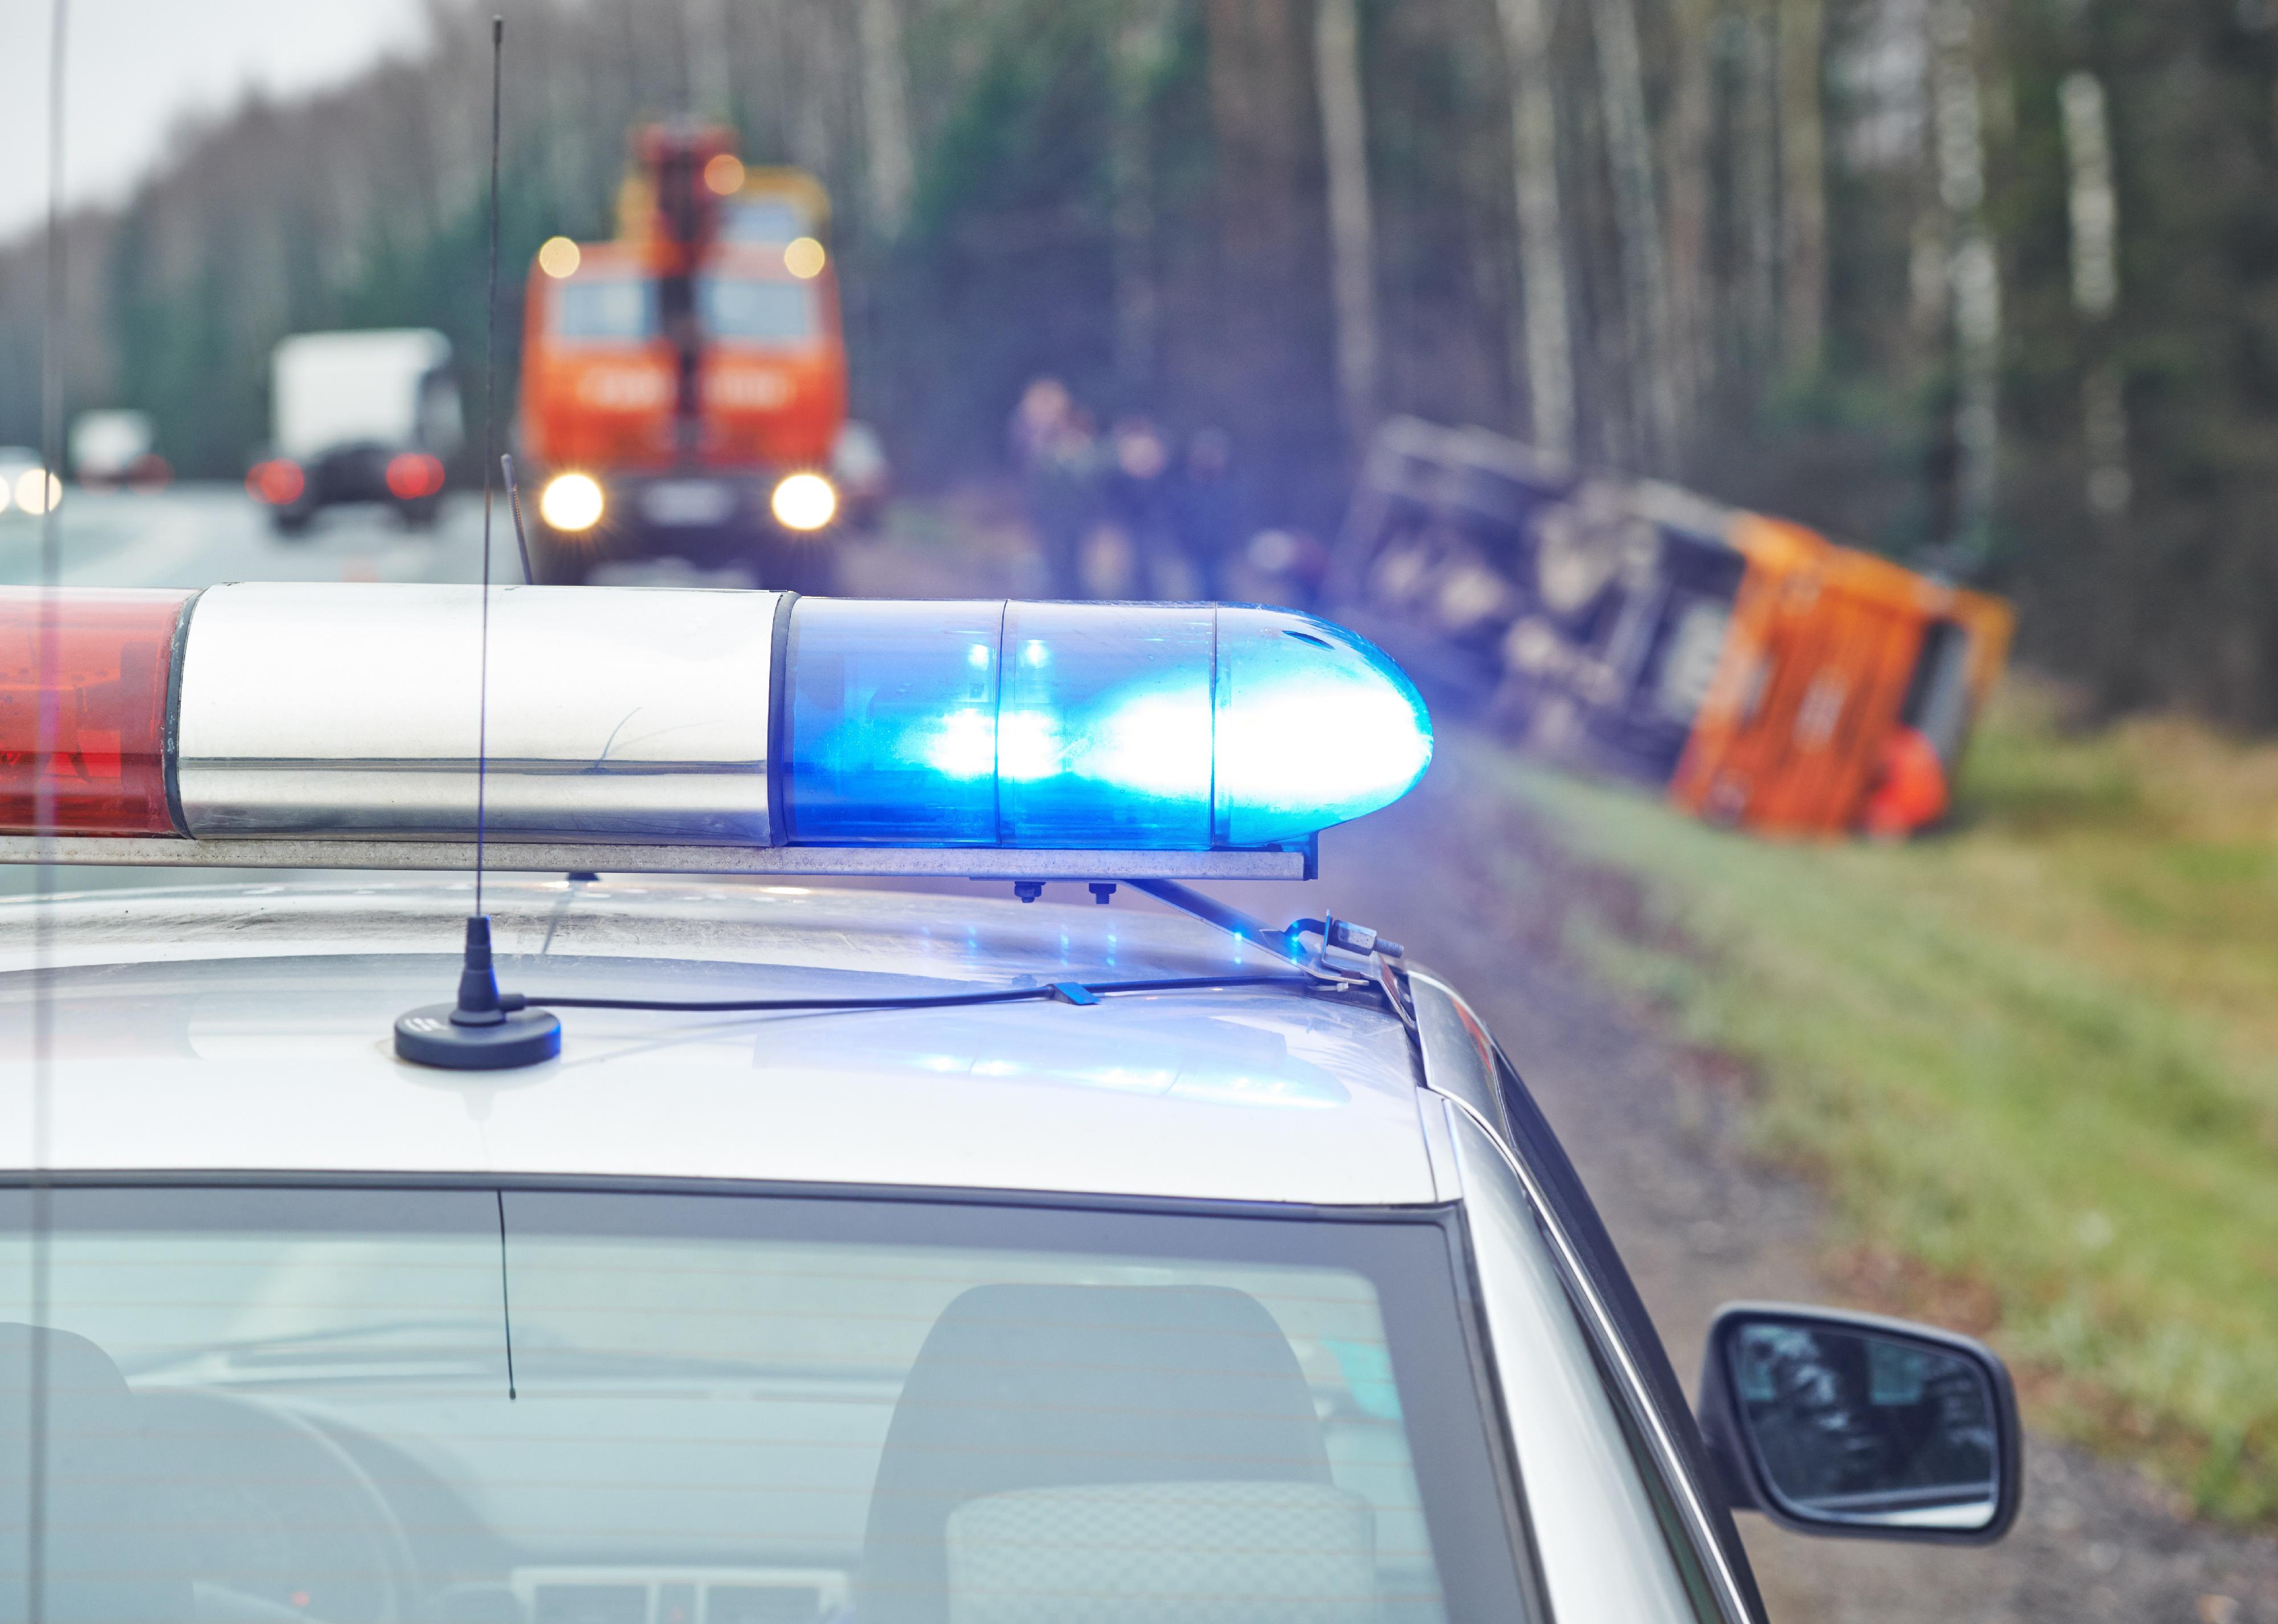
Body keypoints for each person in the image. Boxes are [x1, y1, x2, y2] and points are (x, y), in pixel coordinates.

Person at [1009, 377, 1095, 598]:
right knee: (1052, 562)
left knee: (1072, 564)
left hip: (1073, 512)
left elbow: (1084, 468)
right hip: (1044, 511)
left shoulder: (1075, 429)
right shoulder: (1027, 432)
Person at [1101, 415, 1174, 597]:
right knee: (1132, 562)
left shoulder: (1153, 452)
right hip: (1131, 518)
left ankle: (1149, 595)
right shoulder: (1120, 457)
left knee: (1152, 562)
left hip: (1150, 518)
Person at [1168, 427, 1241, 601]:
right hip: (1186, 556)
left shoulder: (1231, 488)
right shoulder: (1180, 488)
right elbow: (1172, 520)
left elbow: (1238, 521)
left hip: (1223, 556)